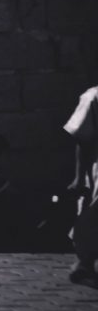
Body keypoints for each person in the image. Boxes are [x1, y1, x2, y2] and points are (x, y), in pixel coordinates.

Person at [62, 86, 98, 288]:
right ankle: (84, 264)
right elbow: (83, 140)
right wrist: (79, 177)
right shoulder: (93, 97)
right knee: (92, 216)